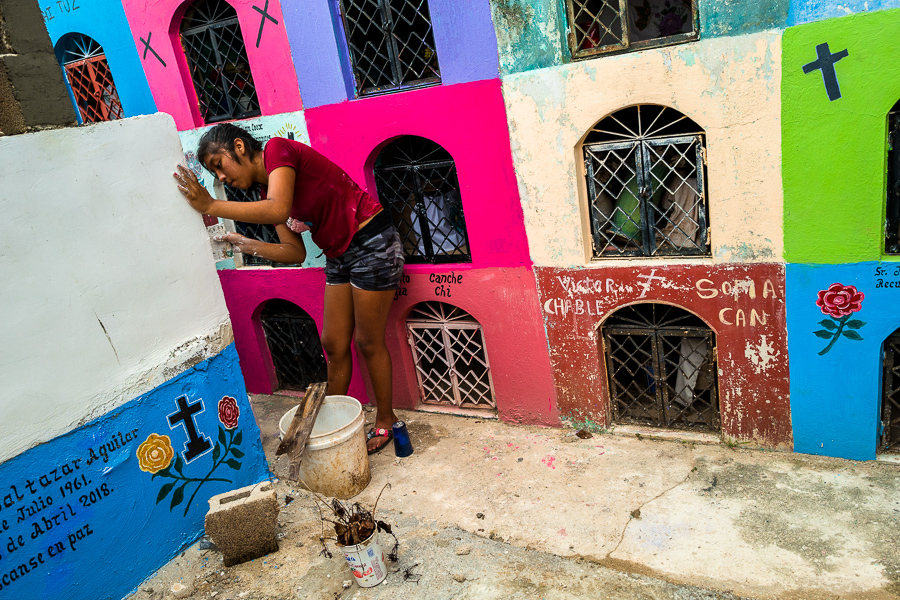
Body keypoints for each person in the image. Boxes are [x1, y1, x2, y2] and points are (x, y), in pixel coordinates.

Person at [173, 124, 404, 454]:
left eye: (218, 165)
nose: (220, 179)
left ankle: (385, 419)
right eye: (214, 173)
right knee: (334, 343)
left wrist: (211, 206)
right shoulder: (272, 193)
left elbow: (278, 209)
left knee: (367, 341)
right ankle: (333, 422)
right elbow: (294, 252)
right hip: (341, 253)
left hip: (372, 241)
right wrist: (246, 244)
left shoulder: (278, 150)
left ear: (239, 147)